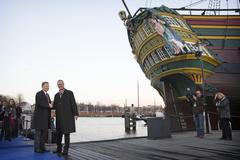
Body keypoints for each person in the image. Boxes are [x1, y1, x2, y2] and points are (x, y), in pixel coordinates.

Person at [53, 80, 79, 155]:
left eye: (61, 84)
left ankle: (66, 150)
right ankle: (58, 149)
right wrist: (52, 112)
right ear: (57, 85)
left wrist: (76, 114)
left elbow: (73, 103)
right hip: (59, 117)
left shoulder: (69, 93)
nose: (60, 85)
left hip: (68, 117)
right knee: (58, 134)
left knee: (67, 134)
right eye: (58, 84)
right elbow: (54, 106)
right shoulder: (56, 95)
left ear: (63, 84)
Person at [33, 82, 52, 153]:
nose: (48, 87)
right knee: (38, 134)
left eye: (48, 86)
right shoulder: (39, 94)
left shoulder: (47, 95)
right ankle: (37, 148)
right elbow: (39, 103)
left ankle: (42, 147)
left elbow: (50, 105)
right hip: (39, 118)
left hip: (46, 118)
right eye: (46, 86)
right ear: (42, 86)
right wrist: (48, 105)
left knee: (44, 134)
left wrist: (51, 106)